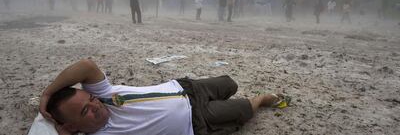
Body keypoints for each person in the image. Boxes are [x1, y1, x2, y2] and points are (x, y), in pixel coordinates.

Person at [39, 59, 290, 135]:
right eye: (85, 112)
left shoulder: (100, 95)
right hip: (197, 121)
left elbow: (85, 66)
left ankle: (231, 99)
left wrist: (48, 92)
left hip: (186, 88)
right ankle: (262, 98)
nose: (94, 106)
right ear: (72, 126)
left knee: (230, 83)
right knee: (244, 110)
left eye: (89, 100)